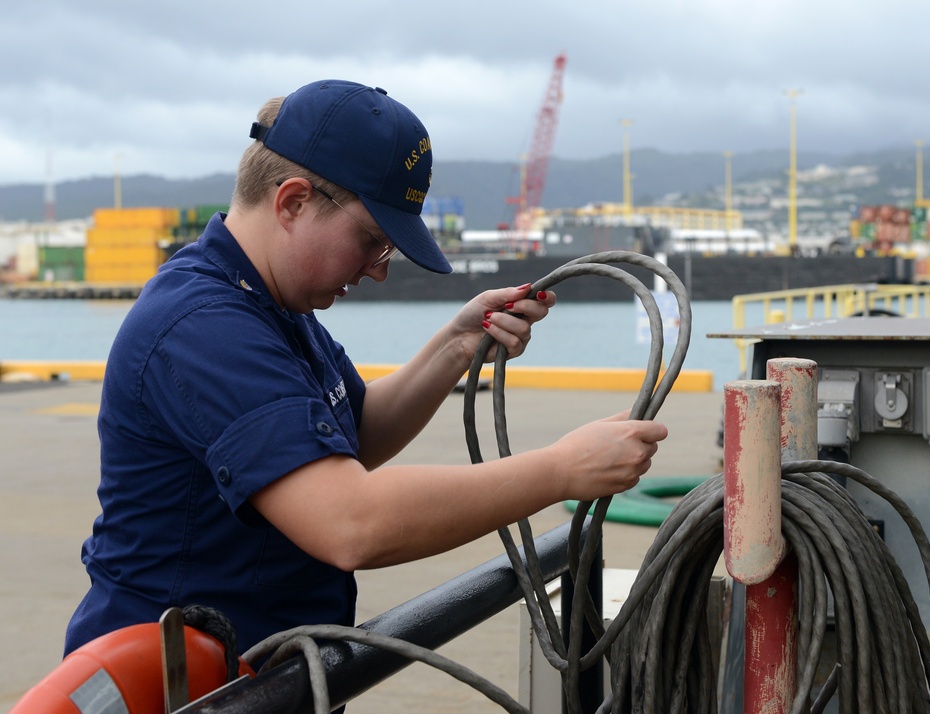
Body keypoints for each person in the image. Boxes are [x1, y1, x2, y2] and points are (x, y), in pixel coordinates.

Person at [64, 80, 668, 656]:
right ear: (293, 201)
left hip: (247, 672)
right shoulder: (203, 325)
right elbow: (351, 522)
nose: (380, 268)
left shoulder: (266, 304)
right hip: (170, 684)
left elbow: (354, 432)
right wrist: (561, 469)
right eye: (373, 239)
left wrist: (455, 347)